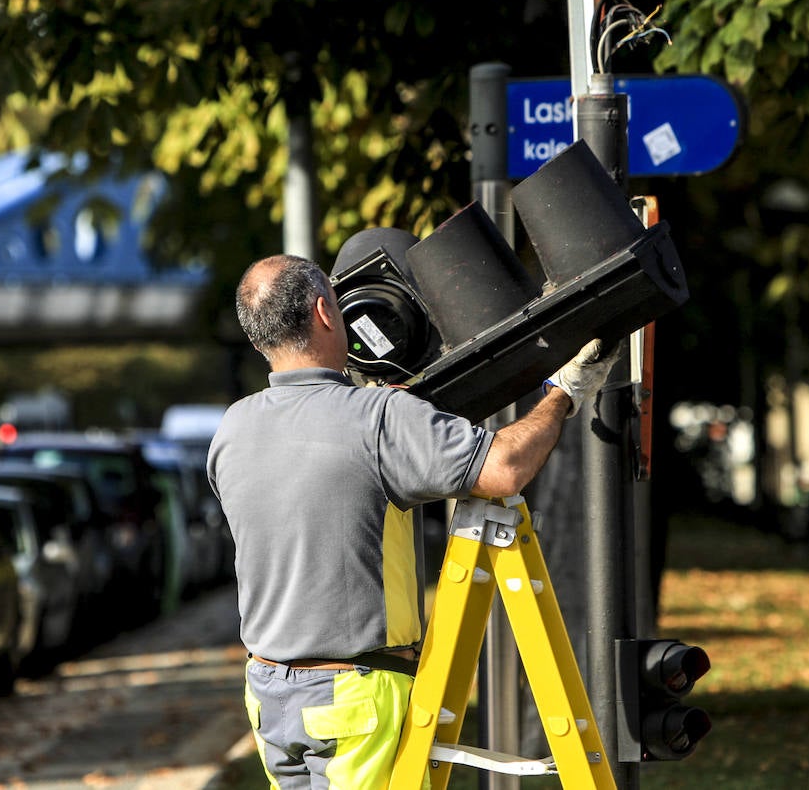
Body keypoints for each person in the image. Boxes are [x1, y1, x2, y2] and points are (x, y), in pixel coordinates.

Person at [207, 253, 622, 789]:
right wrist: (565, 393)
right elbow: (503, 468)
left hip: (268, 692)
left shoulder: (232, 429)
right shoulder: (376, 420)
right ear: (325, 313)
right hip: (355, 697)